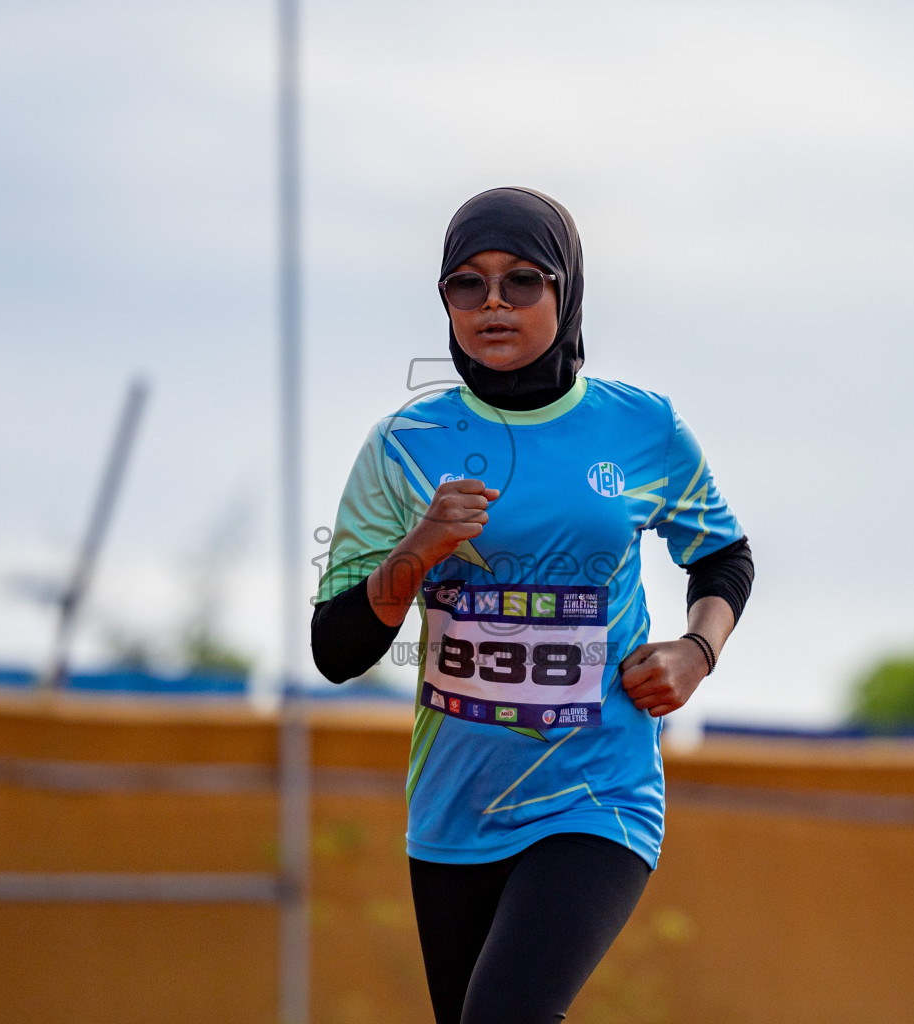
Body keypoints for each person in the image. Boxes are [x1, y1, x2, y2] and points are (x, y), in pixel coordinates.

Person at [310, 187, 753, 1024]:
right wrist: (417, 552)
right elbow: (336, 650)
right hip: (456, 803)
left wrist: (696, 652)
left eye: (522, 282)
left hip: (599, 791)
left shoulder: (641, 429)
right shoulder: (403, 446)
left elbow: (723, 553)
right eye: (466, 286)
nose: (493, 305)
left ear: (567, 291)